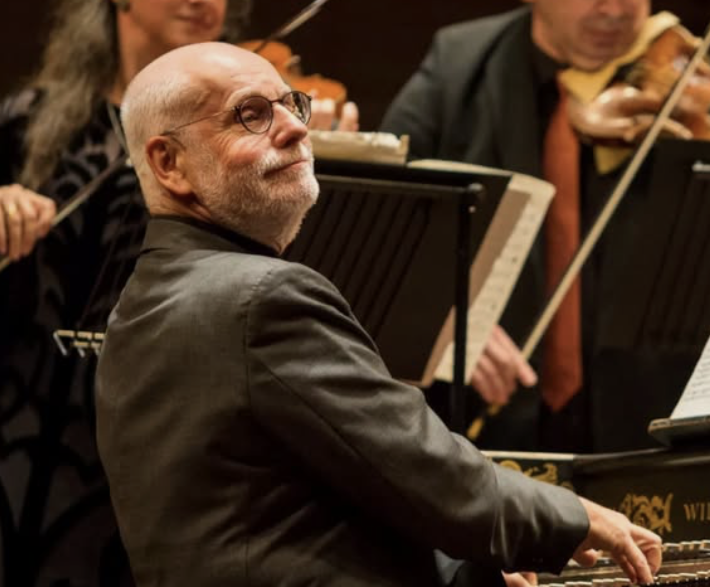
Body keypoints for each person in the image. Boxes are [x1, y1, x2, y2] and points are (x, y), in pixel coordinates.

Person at [95, 40, 663, 587]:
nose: (295, 128)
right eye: (250, 114)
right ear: (169, 162)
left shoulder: (135, 311)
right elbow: (423, 471)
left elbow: (292, 516)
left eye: (291, 104)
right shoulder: (262, 298)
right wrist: (576, 517)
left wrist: (464, 576)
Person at [380, 0, 710, 453]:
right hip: (486, 423)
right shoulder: (458, 68)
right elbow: (385, 218)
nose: (614, 9)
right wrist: (443, 318)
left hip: (649, 421)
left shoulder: (683, 89)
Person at [0, 0, 352, 583]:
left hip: (179, 426)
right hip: (38, 422)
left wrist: (318, 164)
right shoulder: (25, 123)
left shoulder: (242, 135)